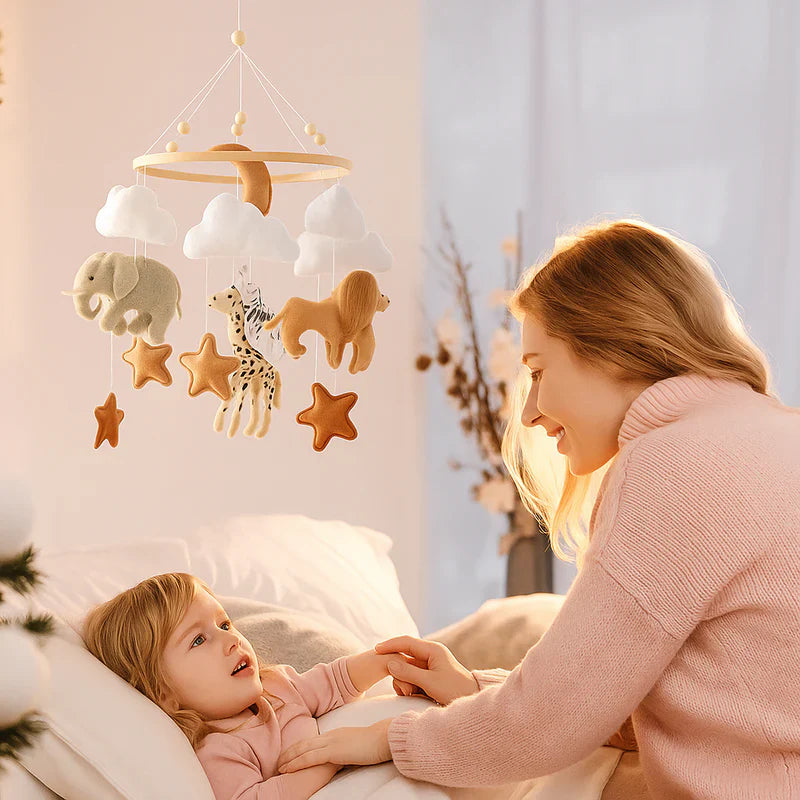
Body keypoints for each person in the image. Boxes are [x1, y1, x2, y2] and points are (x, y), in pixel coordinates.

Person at [276, 218, 800, 799]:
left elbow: (550, 723)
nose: (529, 412)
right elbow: (652, 707)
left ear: (614, 345)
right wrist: (479, 692)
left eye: (538, 371)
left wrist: (394, 739)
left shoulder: (674, 464)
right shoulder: (771, 434)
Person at [82, 572, 406, 800]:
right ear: (164, 694)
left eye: (224, 624)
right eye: (198, 640)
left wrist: (387, 662)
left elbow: (335, 680)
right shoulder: (218, 748)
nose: (231, 639)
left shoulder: (277, 687)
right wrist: (332, 757)